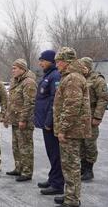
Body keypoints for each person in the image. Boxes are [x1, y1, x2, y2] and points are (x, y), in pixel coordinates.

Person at [53, 47, 91, 207]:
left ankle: (72, 199)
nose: (57, 65)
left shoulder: (73, 78)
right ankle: (70, 194)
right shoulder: (70, 77)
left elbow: (72, 106)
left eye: (58, 61)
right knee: (68, 165)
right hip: (71, 129)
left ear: (67, 61)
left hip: (71, 130)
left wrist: (63, 129)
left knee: (71, 165)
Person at [34, 50, 64, 195]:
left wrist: (49, 121)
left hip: (50, 123)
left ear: (51, 61)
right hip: (46, 122)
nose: (40, 63)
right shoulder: (49, 75)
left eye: (43, 60)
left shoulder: (55, 75)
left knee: (55, 154)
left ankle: (58, 184)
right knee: (51, 153)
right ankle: (53, 179)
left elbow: (54, 101)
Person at [5, 58, 37, 182]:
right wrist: (7, 117)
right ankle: (19, 168)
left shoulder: (28, 82)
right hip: (15, 120)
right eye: (12, 68)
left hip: (24, 121)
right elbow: (11, 101)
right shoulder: (15, 81)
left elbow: (29, 103)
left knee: (25, 147)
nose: (13, 71)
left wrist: (23, 119)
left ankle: (27, 172)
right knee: (16, 146)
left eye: (15, 68)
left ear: (22, 69)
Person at [79, 57, 108, 181]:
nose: (82, 69)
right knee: (81, 143)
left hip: (91, 114)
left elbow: (103, 99)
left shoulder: (98, 80)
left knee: (90, 143)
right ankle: (82, 167)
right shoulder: (79, 78)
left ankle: (89, 170)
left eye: (84, 67)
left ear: (89, 67)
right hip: (80, 116)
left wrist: (97, 116)